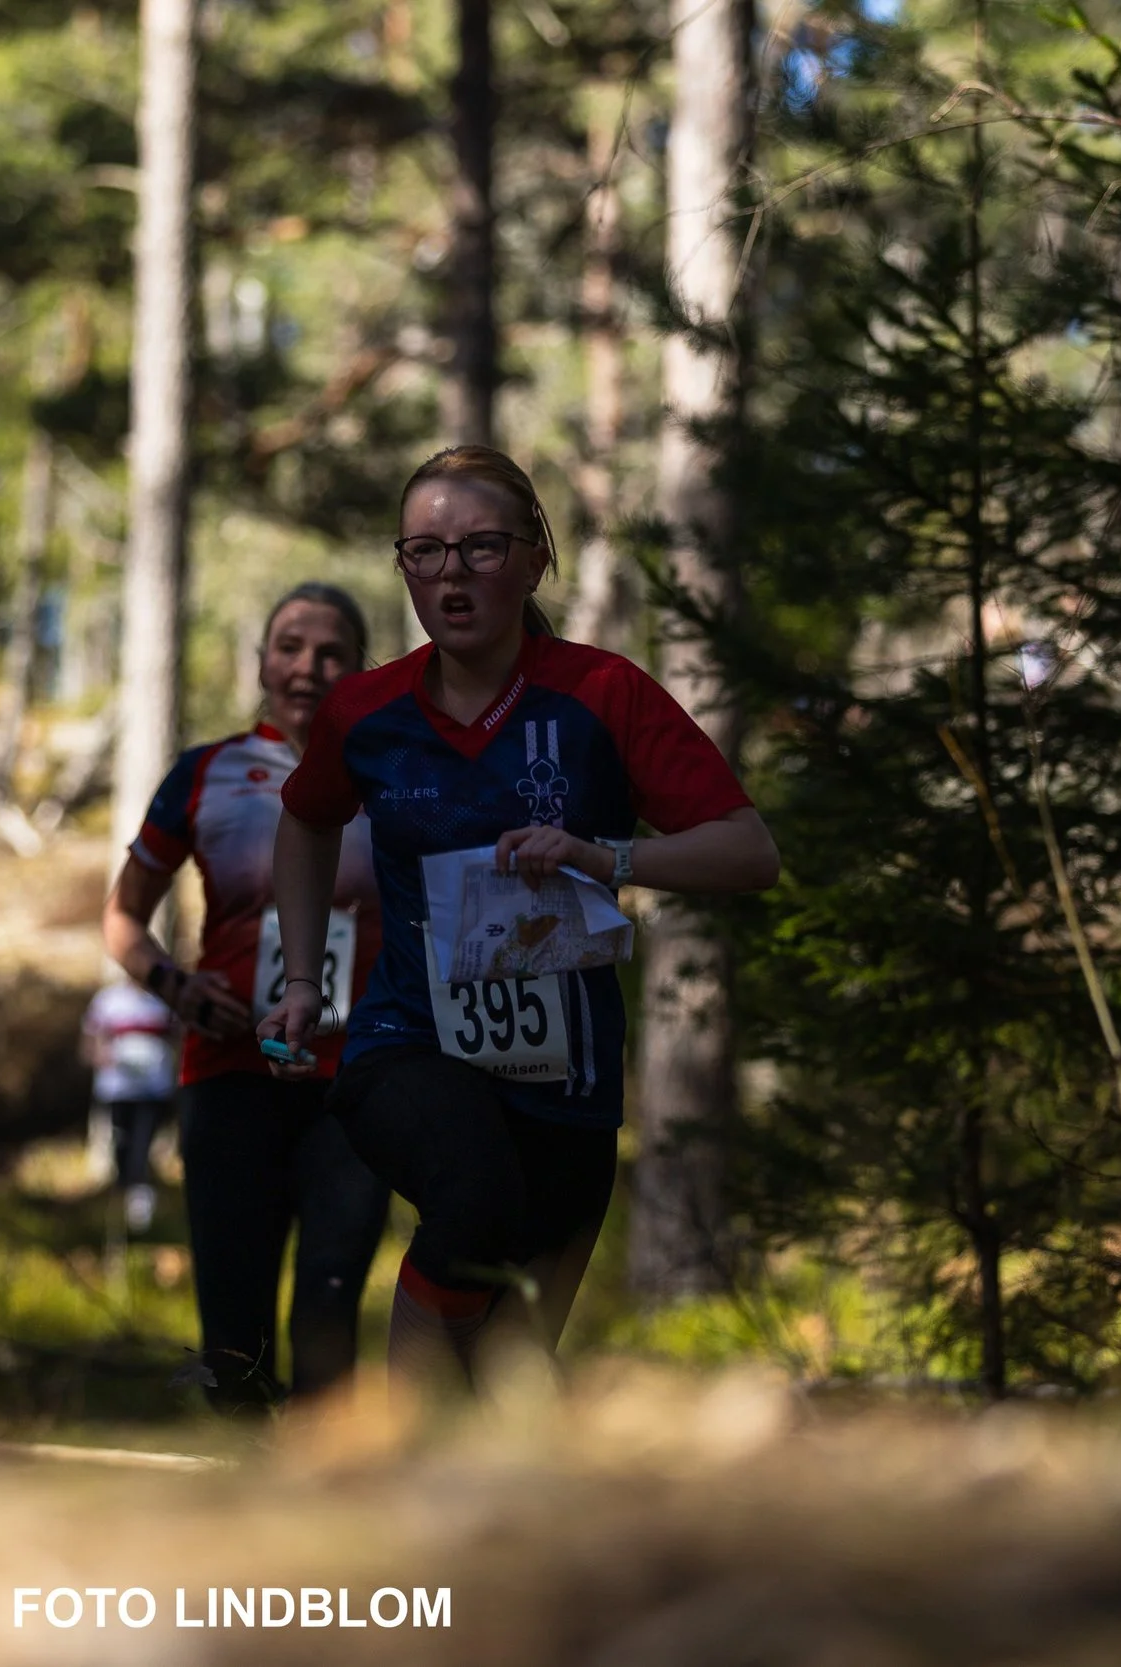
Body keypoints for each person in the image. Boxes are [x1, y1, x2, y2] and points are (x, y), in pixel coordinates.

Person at [259, 446, 781, 1387]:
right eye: (424, 552)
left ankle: (469, 1489)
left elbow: (748, 850)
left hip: (566, 1070)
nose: (451, 576)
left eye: (481, 548)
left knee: (513, 1359)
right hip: (408, 1039)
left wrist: (606, 856)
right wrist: (303, 982)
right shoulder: (369, 712)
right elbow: (305, 818)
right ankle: (397, 1442)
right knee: (472, 1194)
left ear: (536, 558)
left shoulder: (602, 694)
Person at [103, 582, 390, 1409]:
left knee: (330, 1319)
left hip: (354, 1083)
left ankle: (322, 1512)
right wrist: (174, 986)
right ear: (262, 661)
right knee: (234, 1343)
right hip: (229, 1076)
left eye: (331, 651)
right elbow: (123, 917)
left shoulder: (393, 775)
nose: (308, 666)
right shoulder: (203, 773)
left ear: (358, 667)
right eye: (290, 646)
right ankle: (243, 1499)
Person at [79, 979, 179, 1232]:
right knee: (120, 1145)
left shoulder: (163, 1001)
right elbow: (89, 1042)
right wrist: (100, 1055)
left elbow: (179, 1038)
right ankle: (124, 1201)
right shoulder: (108, 999)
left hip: (153, 1090)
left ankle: (141, 1213)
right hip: (117, 1090)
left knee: (142, 1146)